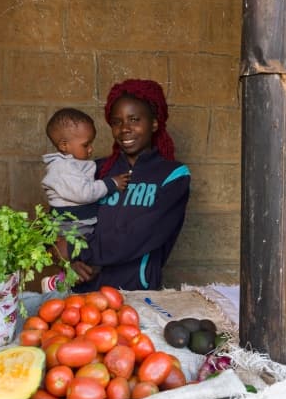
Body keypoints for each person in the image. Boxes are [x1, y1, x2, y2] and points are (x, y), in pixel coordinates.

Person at [55, 79, 191, 292]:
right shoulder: (95, 170)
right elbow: (59, 218)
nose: (124, 129)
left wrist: (74, 248)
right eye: (117, 122)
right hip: (85, 293)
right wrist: (67, 261)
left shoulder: (172, 175)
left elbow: (140, 235)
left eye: (134, 119)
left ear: (154, 123)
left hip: (136, 293)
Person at [41, 107, 130, 291]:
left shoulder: (74, 164)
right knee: (77, 259)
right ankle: (55, 284)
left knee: (88, 265)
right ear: (64, 145)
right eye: (86, 144)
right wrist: (111, 184)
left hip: (80, 225)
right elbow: (84, 192)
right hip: (70, 227)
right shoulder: (61, 169)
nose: (91, 149)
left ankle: (63, 282)